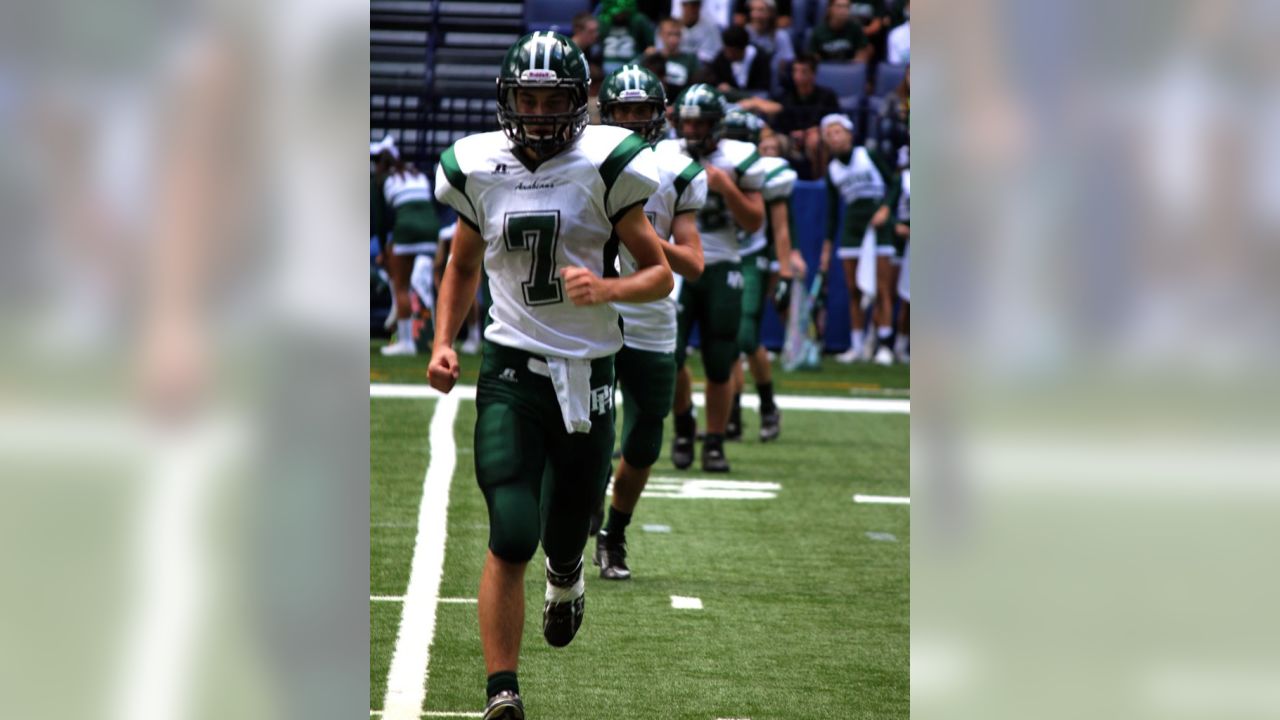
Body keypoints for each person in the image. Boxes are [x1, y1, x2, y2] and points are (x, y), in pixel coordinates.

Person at [429, 32, 674, 720]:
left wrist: (607, 289)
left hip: (590, 373)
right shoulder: (477, 165)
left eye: (551, 99)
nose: (537, 112)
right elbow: (462, 264)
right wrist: (443, 341)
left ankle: (565, 579)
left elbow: (658, 273)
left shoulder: (606, 164)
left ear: (578, 102)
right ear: (508, 99)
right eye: (527, 98)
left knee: (566, 530)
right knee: (511, 527)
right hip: (510, 366)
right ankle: (501, 690)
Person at [594, 65, 706, 579]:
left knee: (642, 441)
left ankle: (614, 535)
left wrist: (638, 235)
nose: (635, 120)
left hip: (653, 316)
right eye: (626, 111)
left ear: (659, 115)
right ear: (608, 113)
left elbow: (694, 262)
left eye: (643, 111)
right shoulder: (584, 160)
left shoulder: (677, 171)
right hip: (593, 311)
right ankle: (584, 521)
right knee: (584, 432)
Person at [662, 84, 765, 472]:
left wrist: (727, 187)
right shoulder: (664, 154)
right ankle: (685, 424)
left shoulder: (739, 158)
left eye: (701, 122)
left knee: (720, 359)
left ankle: (715, 441)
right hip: (677, 264)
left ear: (717, 124)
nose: (692, 130)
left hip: (722, 261)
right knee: (669, 358)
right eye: (687, 121)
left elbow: (755, 222)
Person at [720, 109, 797, 441]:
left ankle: (767, 406)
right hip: (720, 256)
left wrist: (785, 272)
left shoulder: (767, 172)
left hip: (751, 257)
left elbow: (780, 229)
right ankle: (732, 413)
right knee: (725, 340)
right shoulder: (712, 164)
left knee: (747, 337)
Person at [817, 113, 900, 365]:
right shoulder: (831, 170)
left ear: (850, 134)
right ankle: (855, 346)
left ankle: (884, 345)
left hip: (878, 226)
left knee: (882, 288)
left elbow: (895, 182)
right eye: (829, 134)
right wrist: (827, 246)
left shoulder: (868, 156)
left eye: (838, 131)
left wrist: (886, 208)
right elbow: (832, 212)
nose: (834, 137)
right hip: (852, 229)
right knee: (854, 290)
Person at [381, 147, 441, 356]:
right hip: (432, 229)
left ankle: (406, 342)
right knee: (431, 281)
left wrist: (385, 249)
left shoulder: (388, 182)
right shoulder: (419, 177)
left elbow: (386, 219)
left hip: (406, 230)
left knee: (401, 286)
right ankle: (438, 339)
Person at [737, 55, 839, 178]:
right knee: (770, 144)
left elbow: (833, 123)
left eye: (803, 71)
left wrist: (806, 133)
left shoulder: (827, 96)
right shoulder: (784, 96)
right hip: (789, 140)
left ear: (813, 74)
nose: (798, 76)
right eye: (795, 71)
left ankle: (820, 184)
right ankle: (771, 181)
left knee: (815, 141)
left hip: (815, 138)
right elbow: (777, 123)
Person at [698, 25, 773, 95]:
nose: (728, 55)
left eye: (732, 52)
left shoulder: (760, 58)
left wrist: (735, 92)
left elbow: (763, 90)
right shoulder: (722, 58)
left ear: (742, 49)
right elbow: (715, 80)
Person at [638, 17, 701, 97]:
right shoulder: (652, 58)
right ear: (660, 34)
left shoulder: (690, 59)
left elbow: (694, 88)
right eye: (669, 34)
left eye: (677, 34)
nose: (674, 39)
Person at [598, 0, 657, 75]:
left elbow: (651, 47)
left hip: (633, 66)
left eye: (622, 12)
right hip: (606, 66)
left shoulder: (638, 21)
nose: (619, 15)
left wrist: (646, 54)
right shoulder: (603, 21)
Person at [745, 0, 794, 86]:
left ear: (771, 13)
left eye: (761, 10)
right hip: (749, 83)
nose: (756, 15)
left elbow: (788, 62)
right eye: (753, 10)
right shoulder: (745, 32)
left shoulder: (781, 36)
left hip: (772, 83)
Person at [807, 0, 872, 62]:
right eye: (839, 6)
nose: (843, 11)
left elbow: (862, 53)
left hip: (849, 70)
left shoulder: (856, 29)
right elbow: (814, 58)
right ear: (830, 9)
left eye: (847, 7)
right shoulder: (818, 32)